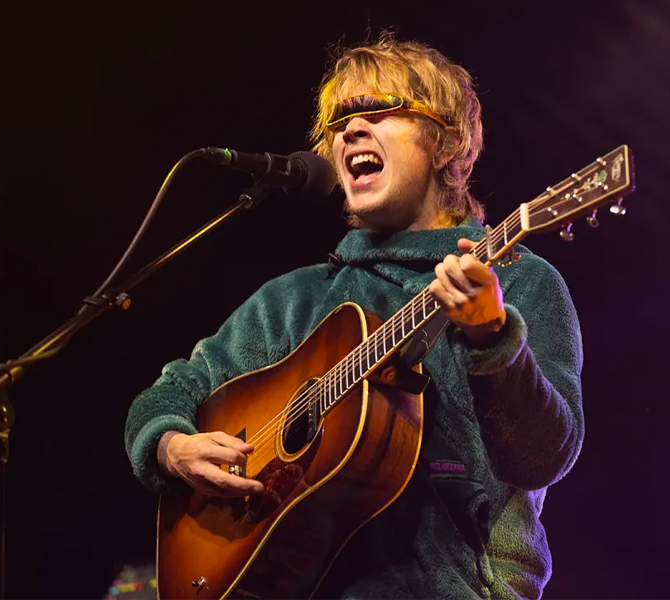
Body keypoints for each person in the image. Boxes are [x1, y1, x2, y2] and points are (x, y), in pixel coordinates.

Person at [125, 34, 584, 600]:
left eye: (378, 110)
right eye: (340, 119)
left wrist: (493, 339)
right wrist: (169, 445)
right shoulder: (292, 300)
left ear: (446, 144)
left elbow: (544, 456)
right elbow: (170, 393)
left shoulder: (517, 280)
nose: (350, 129)